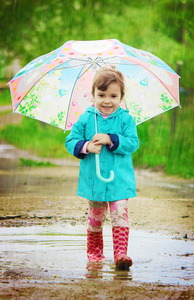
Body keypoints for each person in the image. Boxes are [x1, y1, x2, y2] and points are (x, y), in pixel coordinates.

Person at [65, 66, 139, 270]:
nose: (107, 101)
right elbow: (71, 141)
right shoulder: (87, 119)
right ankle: (95, 254)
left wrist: (111, 139)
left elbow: (133, 143)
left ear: (121, 96)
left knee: (120, 215)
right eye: (102, 95)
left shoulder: (126, 119)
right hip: (94, 180)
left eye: (113, 95)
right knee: (95, 218)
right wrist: (86, 146)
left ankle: (121, 255)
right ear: (93, 95)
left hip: (119, 180)